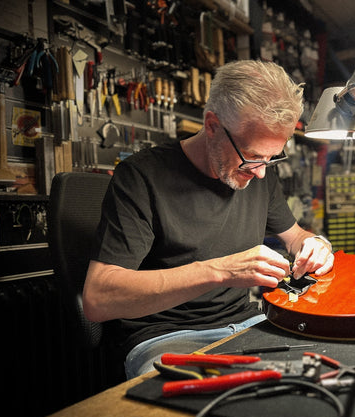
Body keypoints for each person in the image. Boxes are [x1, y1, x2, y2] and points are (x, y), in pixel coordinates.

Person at [82, 60, 334, 379]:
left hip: (249, 324)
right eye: (252, 157)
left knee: (328, 370)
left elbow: (295, 236)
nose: (260, 172)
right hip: (168, 337)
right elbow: (98, 299)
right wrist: (220, 271)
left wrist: (315, 245)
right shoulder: (141, 177)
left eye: (271, 159)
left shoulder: (259, 175)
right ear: (212, 125)